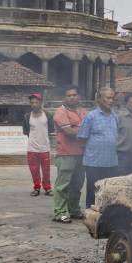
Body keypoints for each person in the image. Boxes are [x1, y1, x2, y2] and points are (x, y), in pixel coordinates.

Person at [78, 87, 119, 209]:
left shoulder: (115, 117)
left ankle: (104, 217)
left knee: (108, 192)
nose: (111, 101)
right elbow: (82, 138)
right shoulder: (90, 116)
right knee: (93, 191)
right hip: (94, 163)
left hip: (111, 162)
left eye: (113, 98)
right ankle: (90, 216)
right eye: (108, 98)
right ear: (99, 99)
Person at [52, 86, 86, 223]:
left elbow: (86, 128)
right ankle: (59, 212)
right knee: (63, 186)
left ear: (79, 97)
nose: (72, 97)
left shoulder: (83, 112)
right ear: (64, 98)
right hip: (66, 154)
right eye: (69, 95)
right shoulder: (60, 112)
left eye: (74, 95)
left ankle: (74, 210)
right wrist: (85, 131)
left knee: (77, 185)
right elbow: (69, 132)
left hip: (81, 154)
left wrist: (79, 129)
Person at [22, 93, 55, 196]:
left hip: (45, 148)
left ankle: (47, 188)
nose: (34, 104)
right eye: (32, 103)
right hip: (32, 149)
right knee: (34, 170)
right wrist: (34, 139)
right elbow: (26, 131)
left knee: (46, 171)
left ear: (40, 103)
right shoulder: (27, 116)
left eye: (36, 102)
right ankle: (36, 188)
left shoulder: (47, 115)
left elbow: (51, 129)